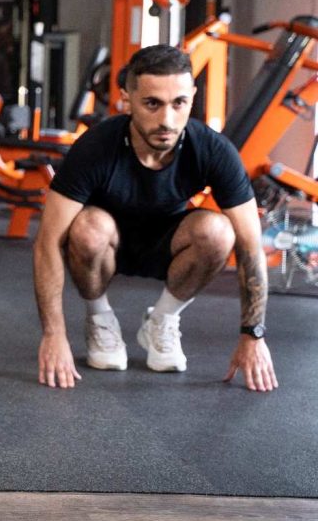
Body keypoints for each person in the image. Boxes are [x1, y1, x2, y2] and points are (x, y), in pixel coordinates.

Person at [33, 44, 277, 391]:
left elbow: (251, 246)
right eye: (152, 104)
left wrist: (253, 335)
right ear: (126, 99)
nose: (167, 120)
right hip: (106, 244)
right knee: (88, 228)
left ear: (192, 97)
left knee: (219, 231)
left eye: (179, 103)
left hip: (170, 246)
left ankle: (162, 320)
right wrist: (54, 334)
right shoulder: (95, 148)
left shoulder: (213, 150)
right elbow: (47, 242)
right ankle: (99, 318)